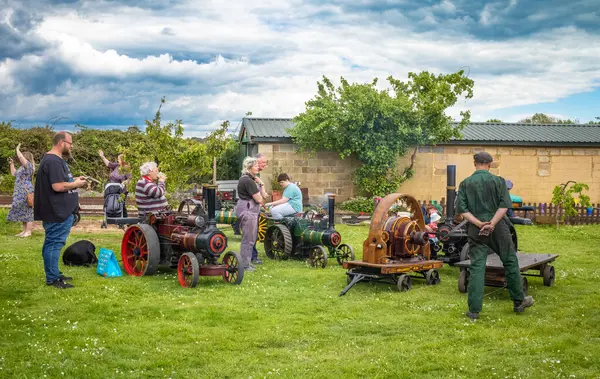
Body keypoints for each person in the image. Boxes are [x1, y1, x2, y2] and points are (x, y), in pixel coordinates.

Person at [457, 152, 534, 320]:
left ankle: (474, 311)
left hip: (476, 230)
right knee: (510, 261)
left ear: (474, 163)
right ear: (490, 165)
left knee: (477, 266)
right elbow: (504, 206)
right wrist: (491, 223)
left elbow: (462, 210)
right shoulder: (498, 181)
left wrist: (479, 224)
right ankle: (519, 302)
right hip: (498, 227)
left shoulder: (465, 184)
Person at [34, 132, 88, 289]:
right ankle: (52, 279)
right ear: (61, 143)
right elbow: (57, 186)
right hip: (57, 212)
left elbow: (62, 182)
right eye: (70, 143)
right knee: (54, 244)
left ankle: (55, 273)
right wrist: (77, 184)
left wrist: (75, 181)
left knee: (52, 243)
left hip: (59, 210)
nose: (71, 146)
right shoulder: (53, 162)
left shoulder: (55, 161)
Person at [235, 157, 265, 272]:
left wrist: (261, 184)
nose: (258, 167)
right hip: (248, 211)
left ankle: (247, 262)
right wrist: (261, 191)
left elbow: (263, 196)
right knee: (248, 238)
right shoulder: (248, 180)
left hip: (249, 210)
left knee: (250, 238)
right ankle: (245, 265)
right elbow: (259, 199)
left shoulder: (249, 180)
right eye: (255, 165)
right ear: (249, 167)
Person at [7, 144, 35, 237]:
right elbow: (14, 174)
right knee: (23, 210)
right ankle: (24, 231)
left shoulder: (29, 166)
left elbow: (21, 157)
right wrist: (12, 164)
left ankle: (28, 231)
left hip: (25, 191)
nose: (20, 158)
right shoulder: (22, 168)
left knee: (28, 211)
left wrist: (17, 149)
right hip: (19, 191)